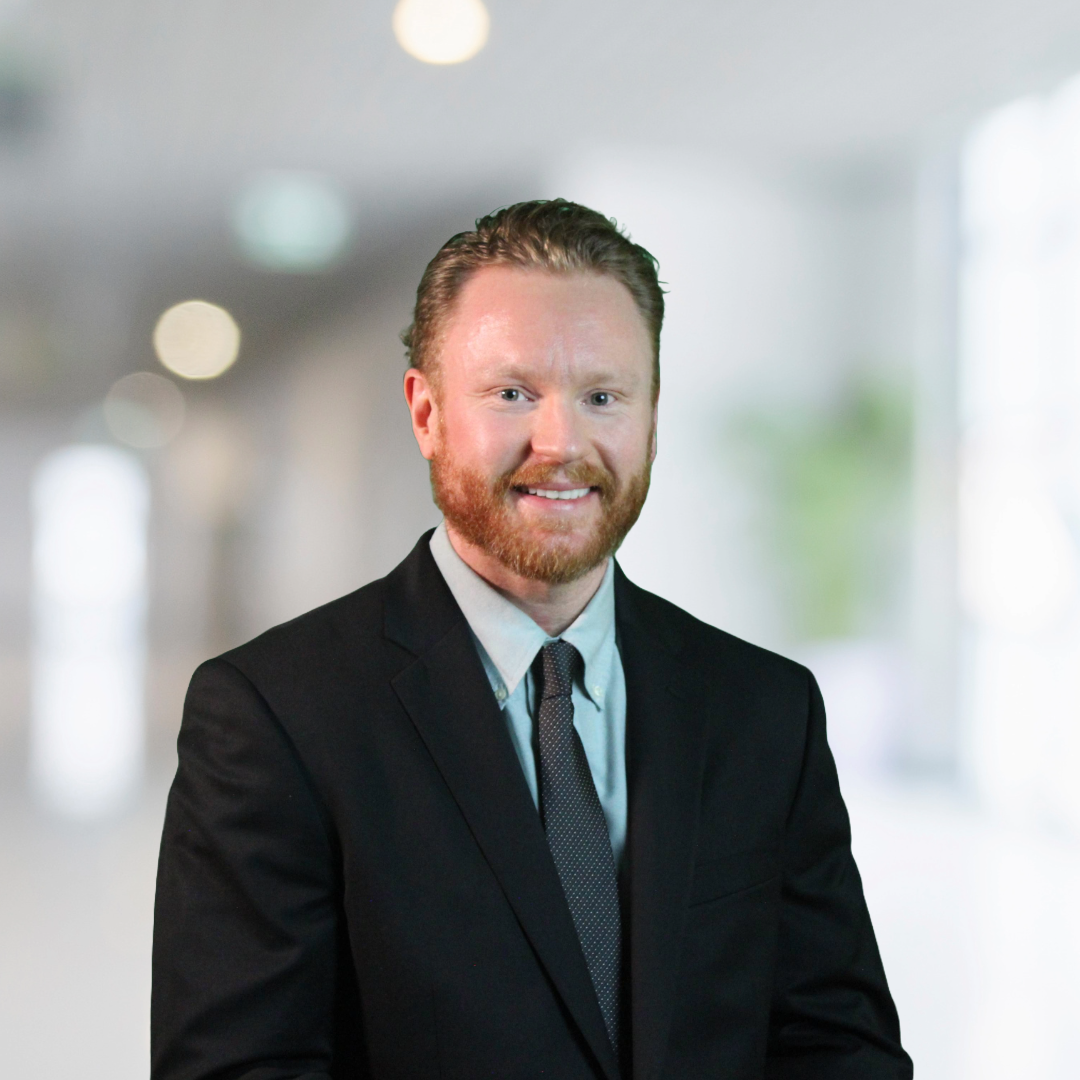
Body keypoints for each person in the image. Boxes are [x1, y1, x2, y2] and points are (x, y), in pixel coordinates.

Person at [151, 199, 912, 1080]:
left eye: (603, 395)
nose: (562, 442)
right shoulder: (276, 718)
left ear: (652, 420)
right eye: (514, 393)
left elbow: (838, 1044)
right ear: (427, 414)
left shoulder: (764, 711)